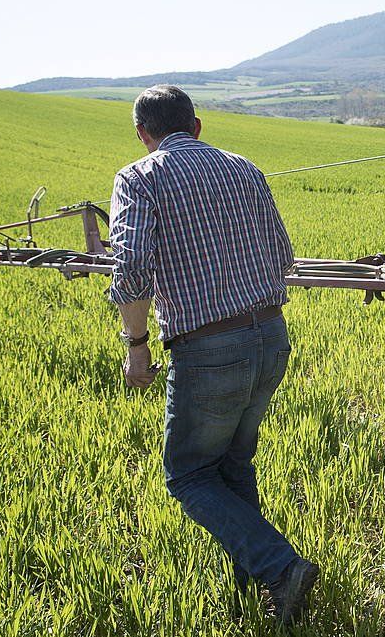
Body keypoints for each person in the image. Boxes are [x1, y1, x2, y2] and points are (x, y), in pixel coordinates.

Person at [107, 84, 317, 624]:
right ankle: (263, 583)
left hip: (207, 348)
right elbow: (283, 254)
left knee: (188, 476)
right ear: (197, 126)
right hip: (271, 336)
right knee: (232, 463)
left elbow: (129, 271)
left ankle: (280, 567)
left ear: (143, 135)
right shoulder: (245, 169)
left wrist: (136, 347)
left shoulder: (140, 177)